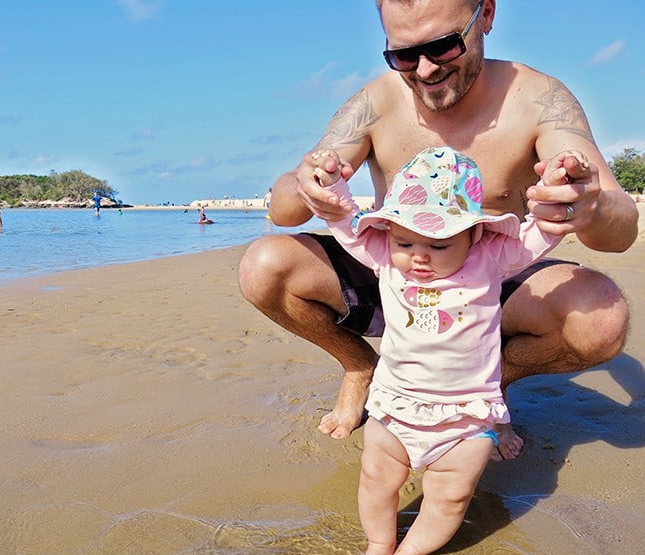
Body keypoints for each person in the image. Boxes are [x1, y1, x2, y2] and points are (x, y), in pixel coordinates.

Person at [238, 0, 638, 458]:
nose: (425, 70)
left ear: (486, 15)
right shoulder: (376, 102)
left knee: (601, 319)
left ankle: (483, 388)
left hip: (494, 280)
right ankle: (360, 368)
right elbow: (285, 211)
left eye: (444, 46)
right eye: (404, 55)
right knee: (263, 266)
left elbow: (620, 230)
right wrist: (306, 184)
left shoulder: (539, 99)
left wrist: (589, 205)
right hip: (398, 272)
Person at [315, 145, 566, 555]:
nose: (419, 256)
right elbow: (344, 222)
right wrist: (333, 183)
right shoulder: (385, 258)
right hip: (395, 406)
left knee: (450, 497)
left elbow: (542, 233)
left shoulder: (491, 257)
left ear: (474, 234)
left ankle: (409, 553)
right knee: (376, 479)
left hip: (466, 416)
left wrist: (555, 191)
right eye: (405, 240)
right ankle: (379, 545)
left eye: (439, 245)